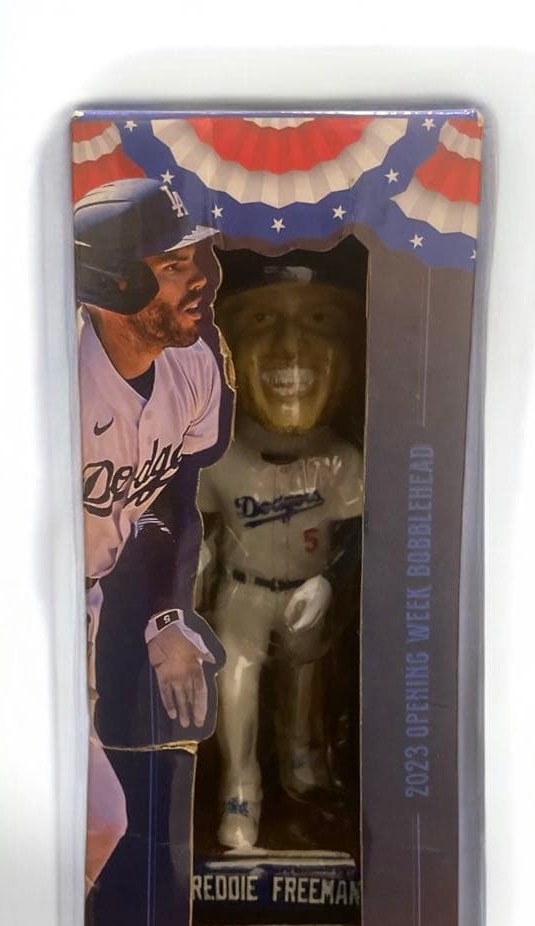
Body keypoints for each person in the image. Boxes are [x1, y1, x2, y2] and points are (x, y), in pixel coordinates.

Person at [74, 177, 232, 887]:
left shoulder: (193, 366)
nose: (200, 279)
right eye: (173, 265)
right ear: (114, 280)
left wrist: (164, 618)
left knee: (98, 819)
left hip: (82, 603)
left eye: (197, 258)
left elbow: (171, 488)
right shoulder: (51, 378)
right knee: (84, 814)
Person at [198, 253, 364, 849]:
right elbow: (196, 527)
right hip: (243, 591)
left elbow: (365, 536)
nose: (291, 348)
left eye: (319, 321)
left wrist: (329, 581)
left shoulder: (341, 458)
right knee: (236, 687)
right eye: (262, 320)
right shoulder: (220, 454)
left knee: (306, 690)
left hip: (306, 591)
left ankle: (303, 771)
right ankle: (240, 795)